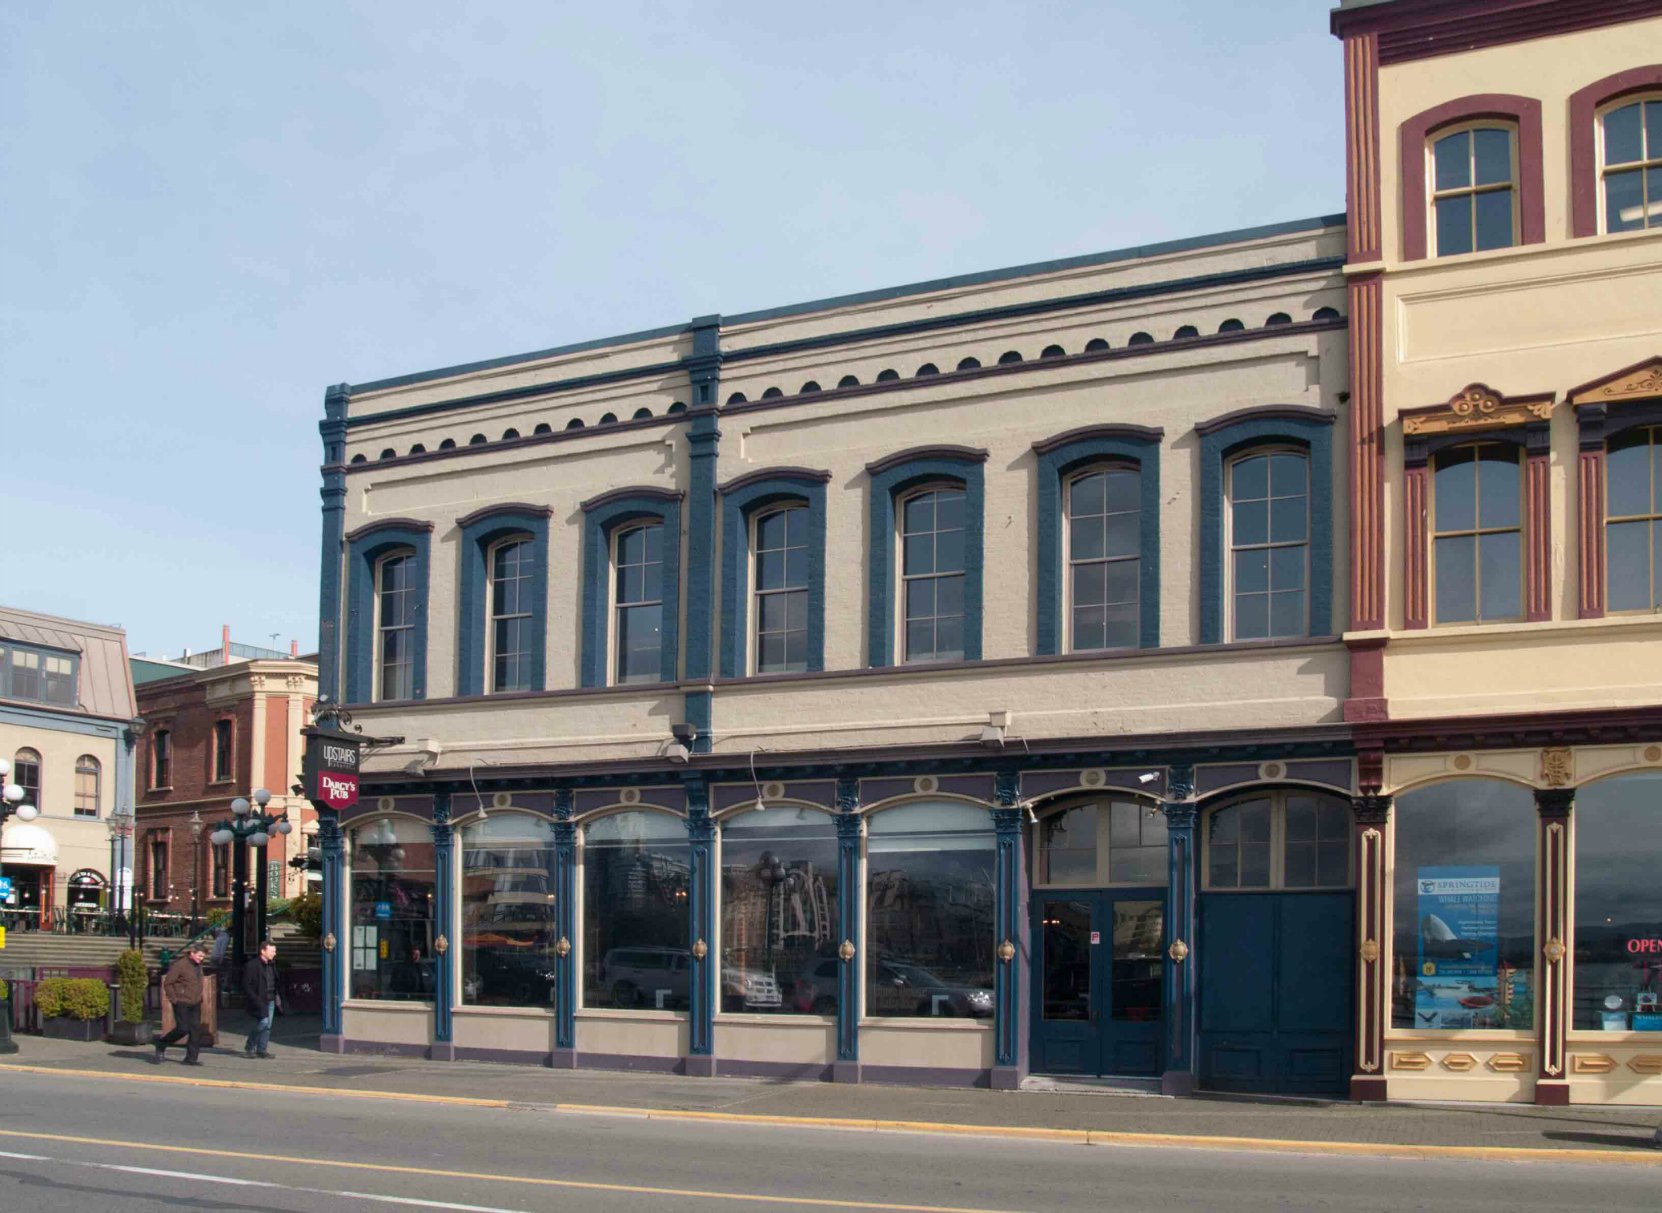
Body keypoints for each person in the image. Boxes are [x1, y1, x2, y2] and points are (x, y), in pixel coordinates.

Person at [153, 942, 209, 1066]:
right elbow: (168, 983)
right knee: (183, 1029)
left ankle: (191, 1058)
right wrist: (174, 999)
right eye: (200, 956)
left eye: (203, 956)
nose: (202, 959)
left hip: (195, 1001)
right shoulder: (180, 965)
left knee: (195, 1030)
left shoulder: (198, 965)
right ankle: (161, 1044)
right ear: (192, 953)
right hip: (182, 1002)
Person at [242, 940, 278, 1059]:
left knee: (268, 1026)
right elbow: (246, 985)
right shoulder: (252, 965)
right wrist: (255, 998)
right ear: (263, 951)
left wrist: (277, 996)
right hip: (260, 999)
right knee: (263, 1022)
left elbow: (275, 980)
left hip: (271, 998)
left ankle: (262, 1049)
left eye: (275, 951)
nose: (274, 953)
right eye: (272, 951)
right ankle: (250, 1046)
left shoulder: (272, 964)